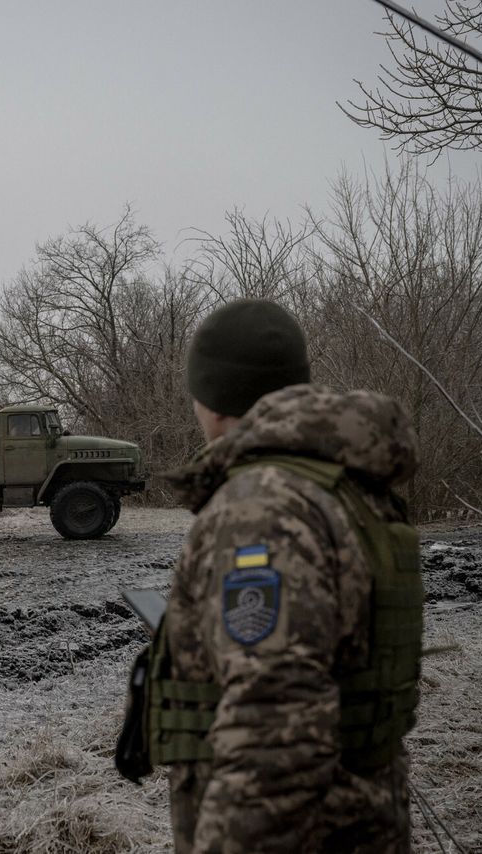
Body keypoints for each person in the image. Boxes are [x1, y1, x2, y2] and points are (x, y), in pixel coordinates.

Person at [150, 299, 422, 853]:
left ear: (212, 395)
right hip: (359, 819)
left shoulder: (262, 509)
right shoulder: (340, 485)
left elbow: (275, 735)